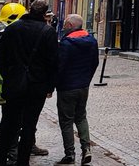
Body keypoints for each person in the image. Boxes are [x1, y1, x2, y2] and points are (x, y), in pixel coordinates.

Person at [0, 0, 59, 166]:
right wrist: (49, 87)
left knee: (8, 123)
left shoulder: (13, 28)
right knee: (29, 125)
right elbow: (53, 62)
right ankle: (22, 161)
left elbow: (0, 57)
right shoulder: (48, 32)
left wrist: (10, 75)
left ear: (29, 10)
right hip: (36, 87)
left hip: (13, 85)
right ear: (45, 14)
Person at [55, 14, 99, 165]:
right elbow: (95, 63)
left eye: (66, 23)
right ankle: (86, 148)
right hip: (83, 86)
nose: (63, 26)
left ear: (70, 26)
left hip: (67, 87)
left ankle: (70, 154)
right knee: (81, 117)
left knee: (66, 121)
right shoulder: (92, 41)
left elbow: (60, 66)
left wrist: (53, 84)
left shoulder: (66, 44)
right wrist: (86, 79)